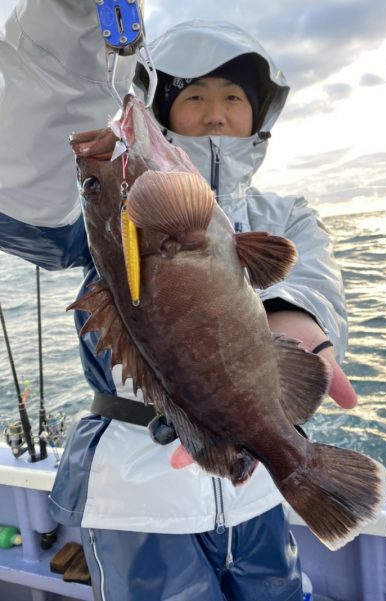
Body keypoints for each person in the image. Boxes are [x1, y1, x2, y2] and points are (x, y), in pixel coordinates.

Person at [0, 2, 356, 600]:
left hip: (257, 485)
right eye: (193, 96)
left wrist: (294, 315)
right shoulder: (104, 218)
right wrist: (70, 18)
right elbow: (24, 178)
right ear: (163, 108)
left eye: (234, 98)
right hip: (137, 493)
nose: (215, 113)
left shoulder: (284, 214)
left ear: (260, 115)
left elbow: (313, 274)